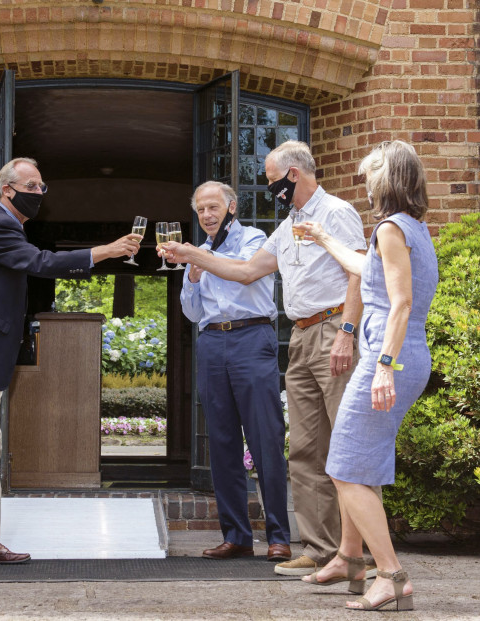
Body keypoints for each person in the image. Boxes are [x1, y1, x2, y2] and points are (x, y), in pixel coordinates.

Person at [160, 140, 370, 576]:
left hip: (323, 329)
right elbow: (241, 275)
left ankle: (345, 552)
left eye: (272, 180)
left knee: (337, 445)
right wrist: (194, 262)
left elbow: (358, 272)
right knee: (305, 452)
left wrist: (348, 332)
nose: (269, 188)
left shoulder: (332, 214)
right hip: (292, 335)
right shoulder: (289, 223)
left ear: (292, 174)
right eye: (200, 208)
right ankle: (315, 549)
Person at [0, 157, 141, 567]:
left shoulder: (8, 226)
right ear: (8, 189)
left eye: (42, 187)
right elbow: (41, 263)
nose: (40, 193)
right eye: (33, 186)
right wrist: (106, 251)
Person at [297, 140, 436, 611]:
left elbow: (401, 303)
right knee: (360, 462)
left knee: (345, 467)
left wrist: (382, 368)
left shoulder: (391, 229)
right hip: (406, 354)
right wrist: (325, 239)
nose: (365, 184)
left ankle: (391, 577)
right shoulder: (410, 228)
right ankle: (350, 558)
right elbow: (370, 272)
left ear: (387, 180)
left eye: (370, 176)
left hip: (389, 354)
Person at [179, 181, 291, 562]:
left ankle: (278, 535)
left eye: (213, 207)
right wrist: (192, 277)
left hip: (251, 337)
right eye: (201, 210)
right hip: (211, 342)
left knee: (265, 437)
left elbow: (243, 273)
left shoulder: (254, 239)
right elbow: (192, 312)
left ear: (231, 207)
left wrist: (198, 258)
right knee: (222, 441)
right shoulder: (199, 254)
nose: (207, 215)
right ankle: (236, 536)